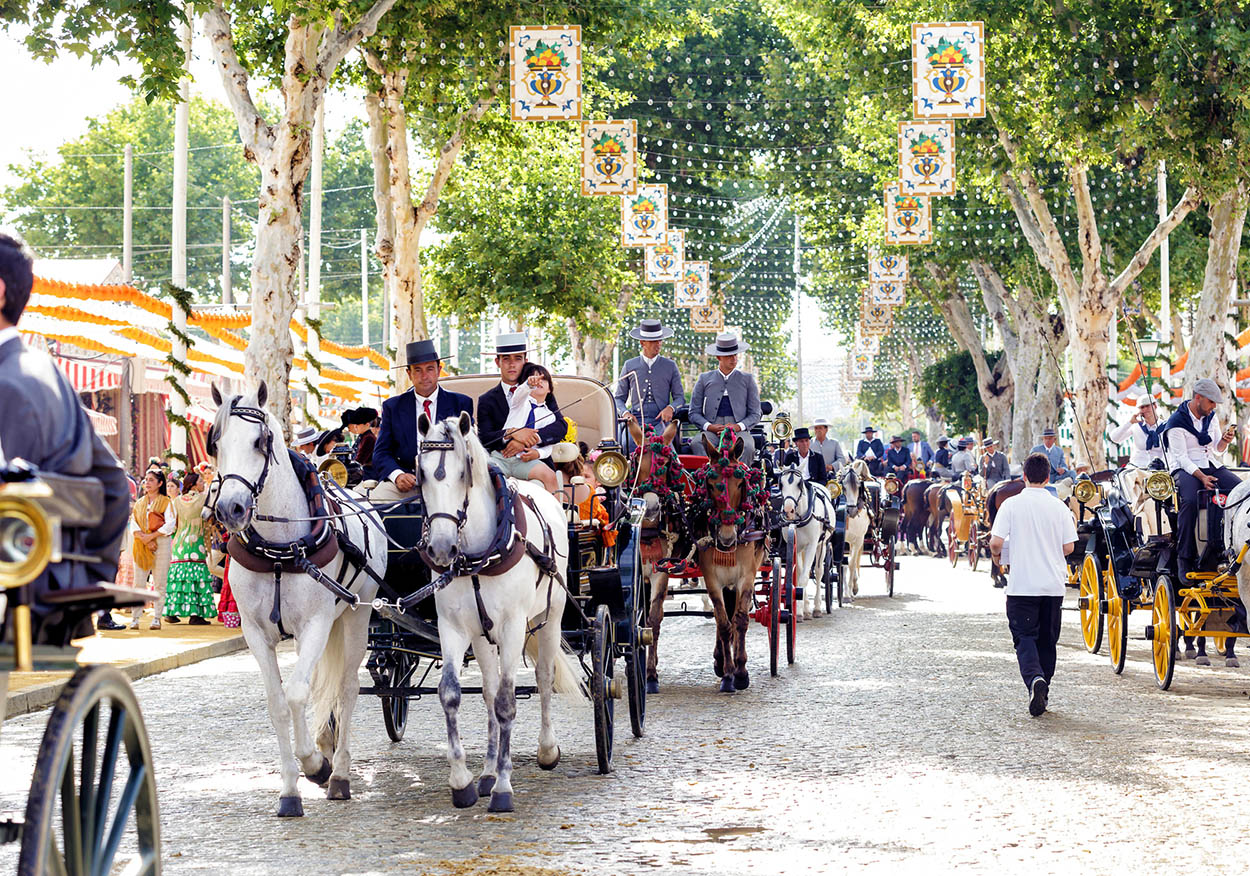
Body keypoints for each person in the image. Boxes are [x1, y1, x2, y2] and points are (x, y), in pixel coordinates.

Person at [0, 231, 131, 644]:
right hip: (56, 583)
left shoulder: (9, 382)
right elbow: (114, 485)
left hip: (19, 584)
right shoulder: (49, 372)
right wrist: (88, 580)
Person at [989, 452, 1077, 717]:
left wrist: (997, 558)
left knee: (1024, 638)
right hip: (1052, 586)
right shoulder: (1059, 507)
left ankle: (1034, 680)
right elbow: (1069, 547)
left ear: (1024, 477)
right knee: (1048, 642)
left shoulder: (1011, 506)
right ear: (1048, 477)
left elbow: (995, 542)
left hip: (1022, 586)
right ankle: (1044, 686)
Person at [372, 338, 475, 503]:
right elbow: (381, 453)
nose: (424, 376)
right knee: (376, 501)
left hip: (449, 482)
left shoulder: (460, 404)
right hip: (407, 482)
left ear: (439, 370)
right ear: (409, 374)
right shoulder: (393, 406)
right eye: (418, 370)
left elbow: (469, 449)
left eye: (430, 369)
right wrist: (398, 476)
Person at [1163, 377, 1242, 582]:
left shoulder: (1211, 417)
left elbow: (1215, 450)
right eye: (1211, 402)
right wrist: (1201, 477)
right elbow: (1181, 458)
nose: (1213, 407)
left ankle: (1231, 548)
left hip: (1210, 465)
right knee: (1189, 501)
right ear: (1198, 398)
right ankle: (1184, 558)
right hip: (1185, 470)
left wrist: (1223, 442)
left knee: (1241, 492)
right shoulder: (1175, 423)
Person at [478, 331, 567, 471]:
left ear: (525, 361)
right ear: (497, 362)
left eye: (518, 358)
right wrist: (511, 433)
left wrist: (528, 441)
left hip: (536, 461)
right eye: (506, 359)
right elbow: (485, 437)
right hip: (501, 462)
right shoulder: (487, 400)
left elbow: (560, 426)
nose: (512, 364)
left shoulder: (540, 391)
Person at [688, 332, 762, 465]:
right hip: (712, 430)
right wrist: (709, 427)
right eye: (729, 356)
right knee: (697, 442)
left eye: (735, 355)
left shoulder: (747, 379)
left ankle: (741, 482)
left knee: (748, 447)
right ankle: (707, 480)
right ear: (718, 357)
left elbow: (756, 413)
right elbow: (693, 412)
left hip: (739, 430)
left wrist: (737, 427)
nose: (733, 359)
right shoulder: (704, 379)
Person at [489, 362, 563, 492]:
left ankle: (557, 511)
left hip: (524, 462)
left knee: (550, 476)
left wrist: (537, 453)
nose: (539, 381)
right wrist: (528, 385)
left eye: (544, 379)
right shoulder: (519, 402)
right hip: (501, 458)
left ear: (550, 389)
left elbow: (548, 447)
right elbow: (520, 392)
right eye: (534, 378)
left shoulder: (550, 416)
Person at [614, 318, 685, 436]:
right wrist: (625, 413)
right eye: (653, 341)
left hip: (661, 422)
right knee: (627, 445)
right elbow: (618, 399)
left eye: (660, 340)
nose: (658, 344)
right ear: (642, 342)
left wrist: (671, 408)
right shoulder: (629, 365)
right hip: (636, 422)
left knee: (666, 448)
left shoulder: (670, 366)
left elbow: (680, 398)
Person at [1110, 396, 1170, 536]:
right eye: (1141, 407)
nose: (1144, 410)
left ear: (1155, 406)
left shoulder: (1165, 426)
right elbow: (1114, 438)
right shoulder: (1136, 426)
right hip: (1136, 468)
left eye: (1147, 406)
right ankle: (1136, 516)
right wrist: (1129, 422)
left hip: (1158, 471)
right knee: (1131, 487)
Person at [164, 469, 218, 626]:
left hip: (180, 543)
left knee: (179, 578)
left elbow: (172, 525)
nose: (203, 484)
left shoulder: (177, 501)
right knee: (196, 578)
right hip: (196, 543)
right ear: (194, 485)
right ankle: (195, 615)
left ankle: (172, 613)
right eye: (201, 482)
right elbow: (209, 518)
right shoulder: (203, 499)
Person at [129, 469, 175, 630]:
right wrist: (146, 539)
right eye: (146, 480)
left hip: (161, 543)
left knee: (160, 583)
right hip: (141, 544)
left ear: (160, 483)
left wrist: (152, 536)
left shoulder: (166, 502)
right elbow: (133, 525)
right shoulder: (140, 503)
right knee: (138, 583)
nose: (147, 483)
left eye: (151, 480)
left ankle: (156, 618)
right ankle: (135, 618)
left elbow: (170, 524)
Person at [343, 407, 379, 479]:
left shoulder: (369, 438)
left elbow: (359, 461)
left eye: (358, 424)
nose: (355, 426)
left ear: (367, 425)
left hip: (368, 475)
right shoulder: (363, 436)